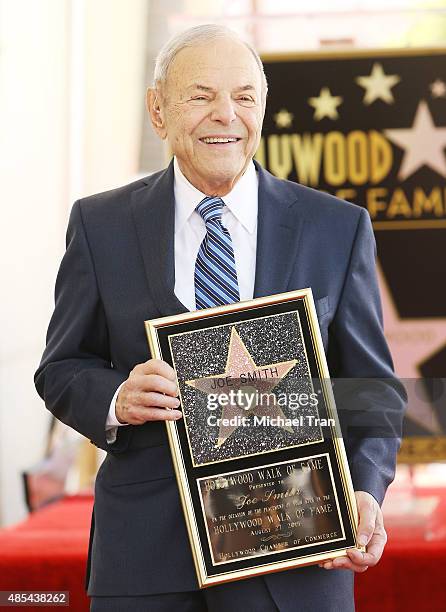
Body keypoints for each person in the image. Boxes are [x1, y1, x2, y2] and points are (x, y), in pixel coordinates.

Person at [35, 24, 406, 612]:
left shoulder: (336, 228)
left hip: (298, 554)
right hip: (145, 562)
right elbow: (60, 368)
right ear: (158, 112)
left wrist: (362, 488)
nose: (225, 115)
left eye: (244, 97)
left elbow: (373, 389)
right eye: (201, 96)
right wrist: (116, 398)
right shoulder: (99, 225)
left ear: (261, 110)